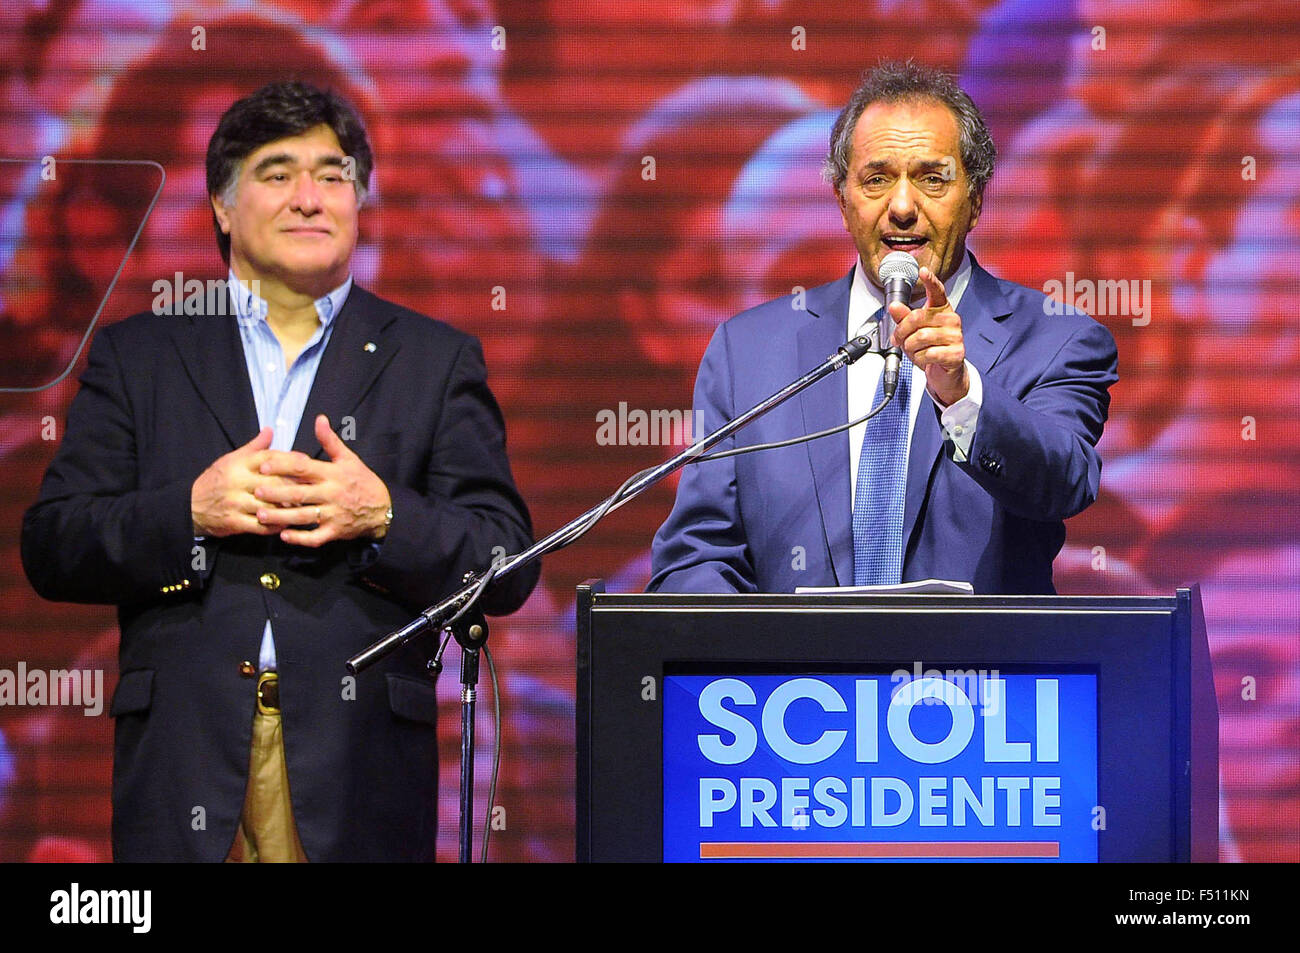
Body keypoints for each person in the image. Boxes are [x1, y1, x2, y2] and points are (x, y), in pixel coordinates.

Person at [20, 81, 539, 862]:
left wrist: (385, 517)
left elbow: (508, 564)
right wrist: (188, 510)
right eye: (277, 173)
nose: (309, 198)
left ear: (361, 200)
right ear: (223, 207)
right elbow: (53, 543)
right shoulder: (142, 355)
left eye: (333, 175)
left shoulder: (433, 359)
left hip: (357, 767)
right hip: (184, 764)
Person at [648, 60, 1118, 596]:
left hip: (978, 675)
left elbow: (1066, 483)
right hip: (799, 681)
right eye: (876, 180)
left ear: (976, 199)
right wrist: (755, 665)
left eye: (932, 179)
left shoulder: (1057, 339)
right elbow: (699, 556)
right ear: (842, 201)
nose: (901, 207)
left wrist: (964, 395)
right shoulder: (747, 352)